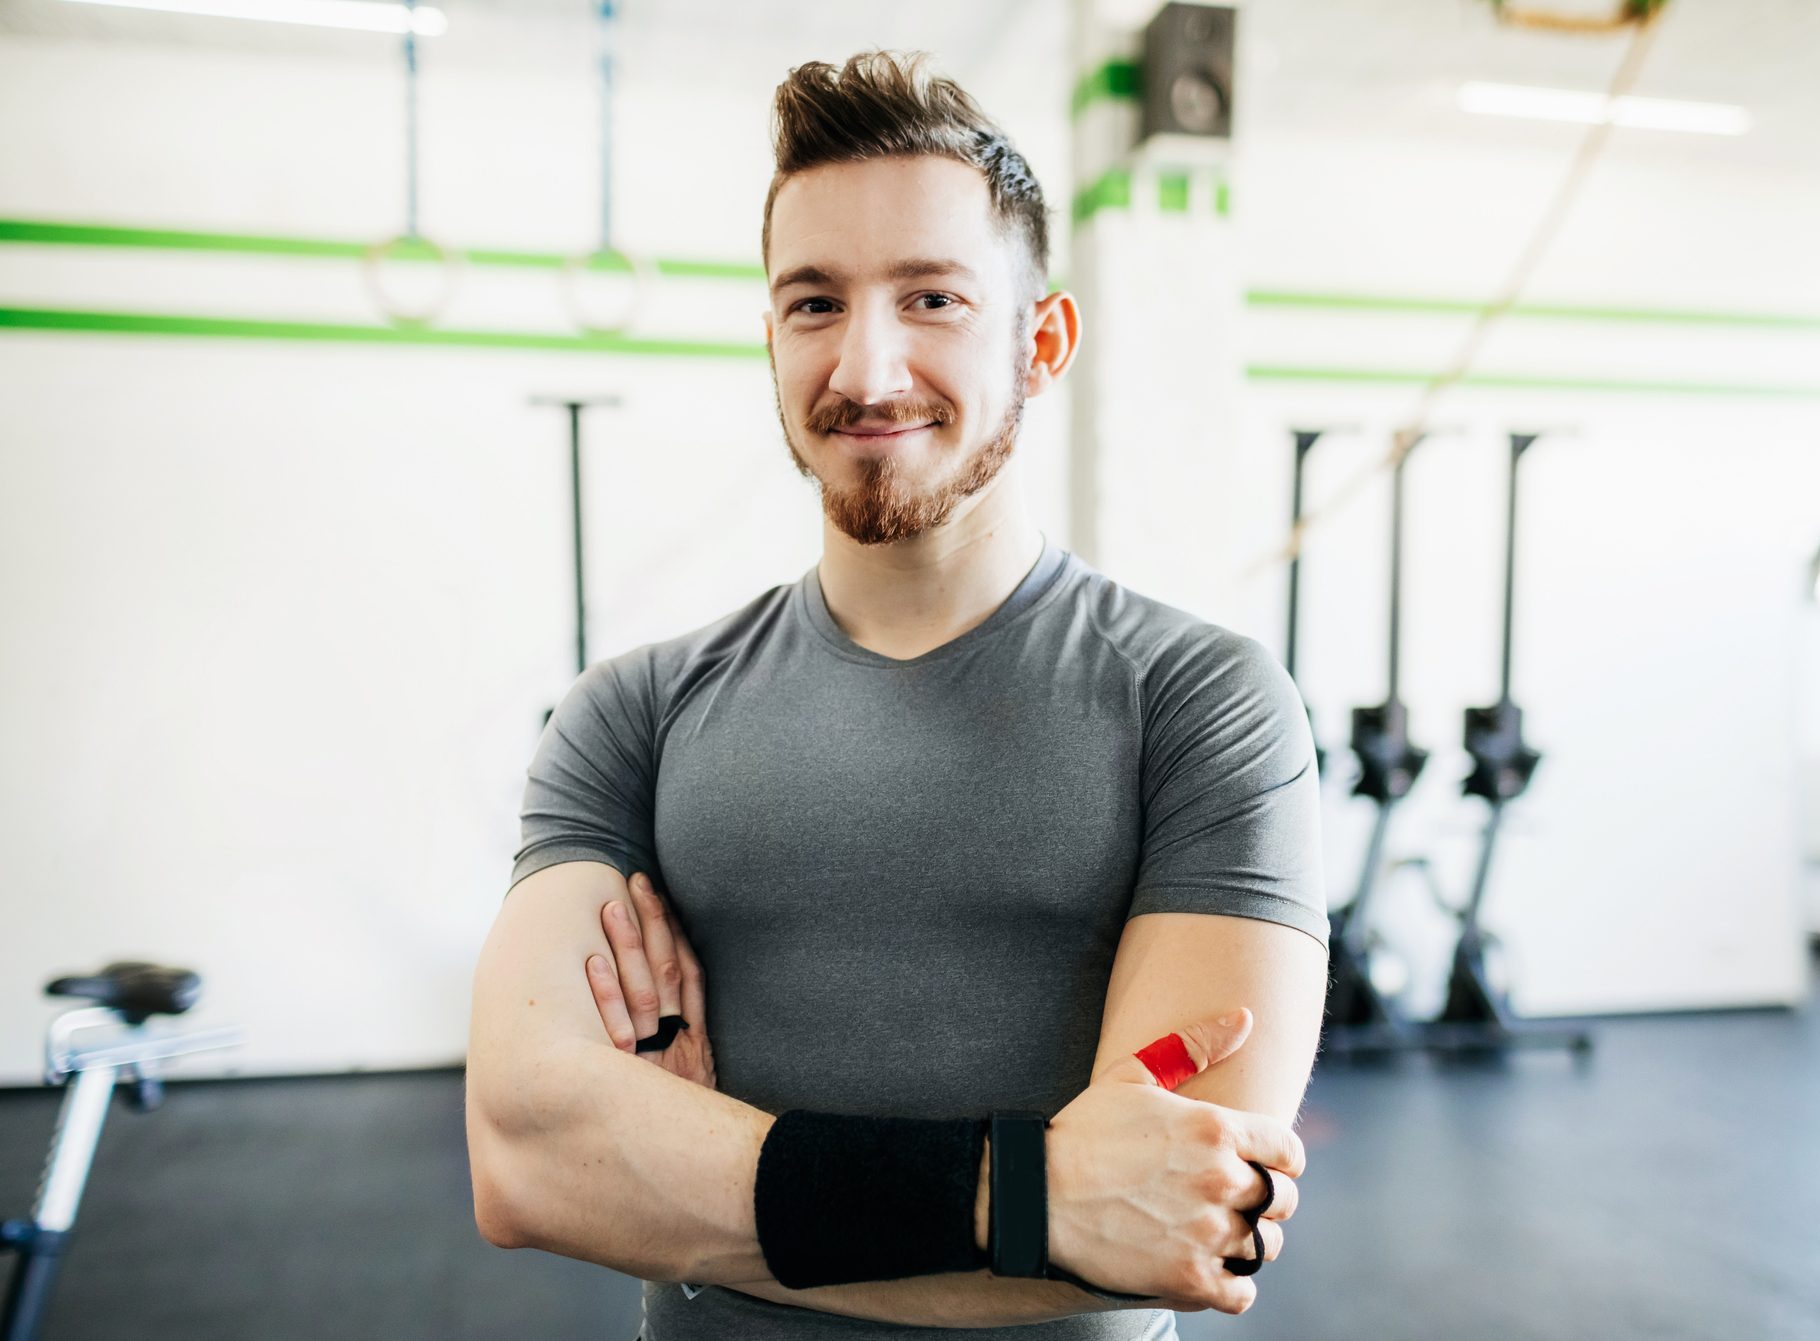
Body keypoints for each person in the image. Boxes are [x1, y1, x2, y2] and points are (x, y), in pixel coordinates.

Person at [465, 49, 1330, 1341]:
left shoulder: (1201, 701)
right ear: (769, 333)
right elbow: (530, 1163)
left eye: (931, 297)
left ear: (1041, 339)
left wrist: (685, 1172)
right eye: (813, 303)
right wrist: (1033, 1189)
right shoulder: (630, 712)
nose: (867, 369)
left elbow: (1174, 1222)